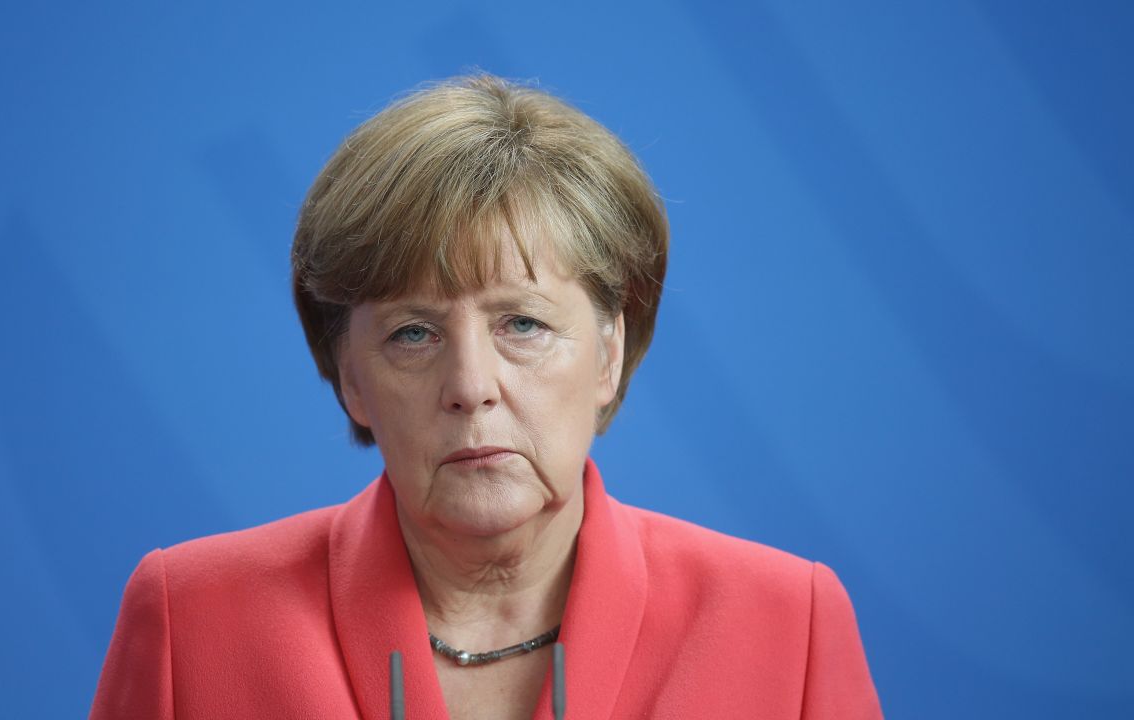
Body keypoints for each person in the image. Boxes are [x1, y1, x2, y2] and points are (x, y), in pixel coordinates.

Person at [88, 74, 882, 719]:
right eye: (413, 334)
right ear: (350, 376)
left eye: (524, 324)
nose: (471, 388)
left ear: (609, 352)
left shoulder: (787, 623)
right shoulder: (191, 619)